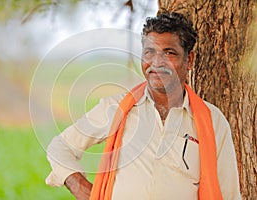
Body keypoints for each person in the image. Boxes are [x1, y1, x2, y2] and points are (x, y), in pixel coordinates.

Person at [45, 11, 241, 200]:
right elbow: (60, 147)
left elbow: (228, 193)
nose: (157, 62)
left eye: (169, 52)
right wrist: (84, 190)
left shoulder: (212, 121)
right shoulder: (117, 108)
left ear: (188, 60)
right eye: (149, 52)